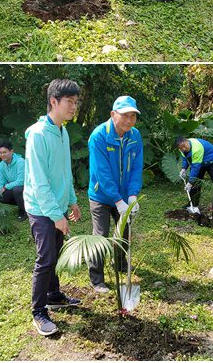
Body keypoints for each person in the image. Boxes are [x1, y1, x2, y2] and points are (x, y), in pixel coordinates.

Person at [24, 79, 83, 337]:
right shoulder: (37, 135)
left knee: (56, 256)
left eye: (76, 102)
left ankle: (54, 295)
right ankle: (38, 311)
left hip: (58, 206)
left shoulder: (62, 131)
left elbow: (64, 171)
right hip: (41, 208)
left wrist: (72, 200)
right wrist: (56, 216)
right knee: (46, 259)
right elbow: (39, 182)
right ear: (53, 102)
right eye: (69, 102)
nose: (74, 107)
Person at [86, 96, 143, 295]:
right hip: (101, 196)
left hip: (125, 196)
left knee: (124, 234)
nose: (129, 120)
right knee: (100, 236)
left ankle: (119, 264)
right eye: (125, 116)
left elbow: (136, 168)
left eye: (133, 116)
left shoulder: (134, 136)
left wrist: (133, 195)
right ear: (113, 114)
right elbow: (102, 172)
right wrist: (118, 200)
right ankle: (97, 279)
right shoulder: (99, 136)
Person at [176, 136, 213, 213]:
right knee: (196, 183)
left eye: (184, 146)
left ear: (187, 141)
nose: (183, 149)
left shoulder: (196, 148)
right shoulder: (182, 148)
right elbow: (185, 157)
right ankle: (193, 205)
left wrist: (190, 182)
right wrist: (183, 168)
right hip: (201, 162)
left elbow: (195, 167)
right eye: (181, 148)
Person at [0, 140, 26, 219]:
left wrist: (5, 187)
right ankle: (22, 203)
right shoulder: (1, 165)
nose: (2, 155)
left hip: (27, 188)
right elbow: (0, 182)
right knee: (1, 197)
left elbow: (21, 181)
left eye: (4, 152)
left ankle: (24, 212)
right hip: (15, 189)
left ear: (11, 151)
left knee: (17, 190)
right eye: (0, 152)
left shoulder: (20, 162)